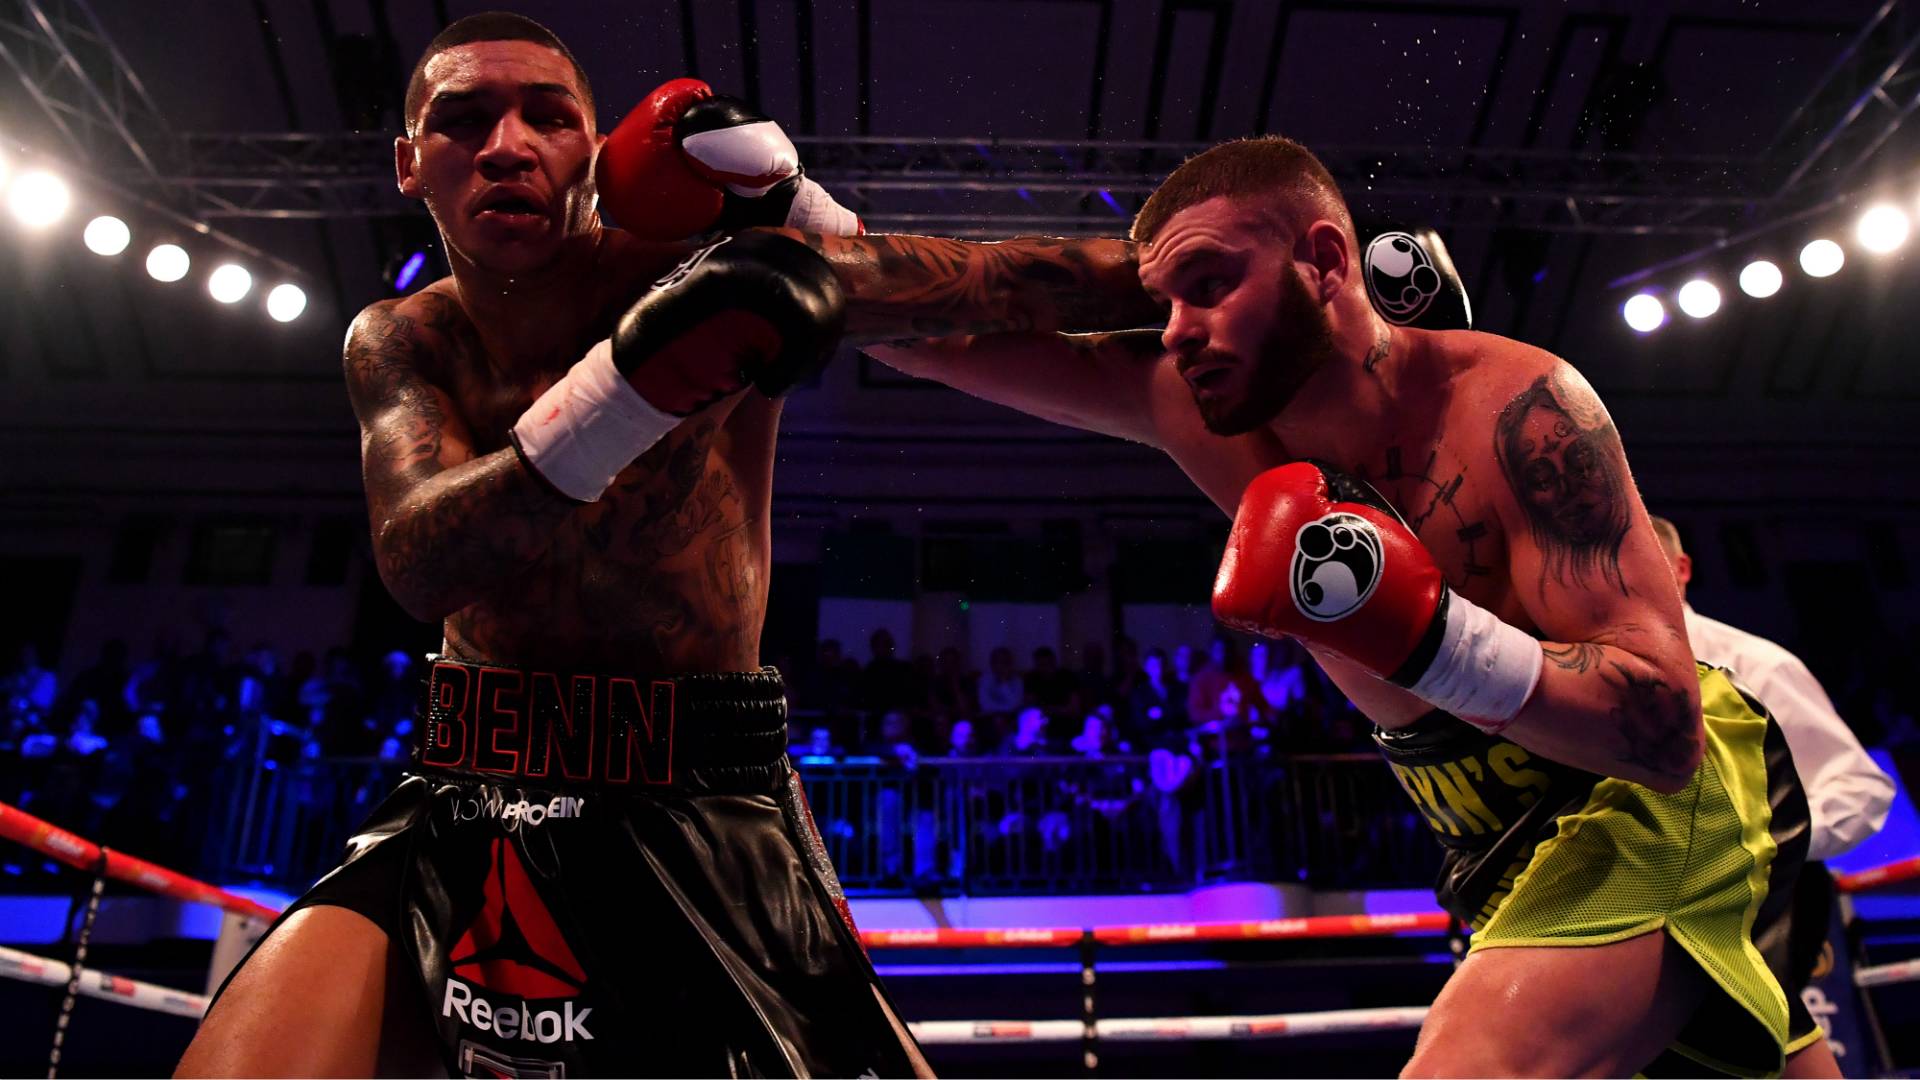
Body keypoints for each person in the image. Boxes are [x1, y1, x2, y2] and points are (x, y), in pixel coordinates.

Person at [860, 136, 1832, 1076]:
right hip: (1490, 845)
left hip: (1649, 805)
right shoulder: (1193, 407)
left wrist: (1431, 638)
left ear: (1326, 261)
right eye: (1161, 302)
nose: (1176, 329)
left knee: (1471, 1068)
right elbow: (923, 334)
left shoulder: (1516, 407)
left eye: (1210, 285)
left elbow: (1666, 732)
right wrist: (807, 228)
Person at [1652, 515, 1894, 1072]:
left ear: (1681, 569)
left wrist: (1765, 845)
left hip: (1764, 907)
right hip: (1652, 905)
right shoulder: (1592, 669)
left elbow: (1859, 787)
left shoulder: (1755, 665)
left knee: (1751, 1054)